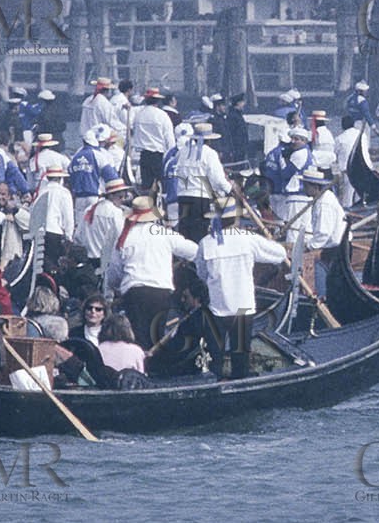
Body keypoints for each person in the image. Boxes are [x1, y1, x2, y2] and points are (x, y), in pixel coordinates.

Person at [198, 195, 288, 379]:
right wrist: (269, 240)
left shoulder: (205, 243)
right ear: (236, 218)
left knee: (215, 358)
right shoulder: (247, 239)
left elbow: (202, 274)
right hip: (243, 307)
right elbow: (280, 254)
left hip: (218, 308)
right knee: (241, 359)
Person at [103, 195, 199, 348]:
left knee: (138, 338)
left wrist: (114, 289)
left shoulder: (125, 237)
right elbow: (194, 251)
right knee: (157, 338)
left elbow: (114, 272)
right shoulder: (163, 233)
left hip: (134, 293)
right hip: (160, 293)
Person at [171, 122, 229, 243]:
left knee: (185, 233)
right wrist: (229, 189)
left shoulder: (183, 151)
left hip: (183, 196)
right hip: (200, 198)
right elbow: (217, 179)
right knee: (199, 234)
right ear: (209, 140)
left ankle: (185, 260)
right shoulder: (210, 153)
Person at [69, 124, 122, 227]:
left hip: (78, 198)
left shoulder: (76, 156)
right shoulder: (99, 155)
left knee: (80, 226)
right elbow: (111, 177)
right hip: (95, 196)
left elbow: (70, 176)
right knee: (94, 225)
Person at [29, 165, 75, 271]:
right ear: (60, 179)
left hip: (38, 232)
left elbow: (33, 212)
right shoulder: (63, 192)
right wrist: (69, 236)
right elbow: (68, 218)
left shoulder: (41, 192)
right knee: (53, 265)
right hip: (54, 232)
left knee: (40, 265)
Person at [79, 177, 133, 266]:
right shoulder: (115, 212)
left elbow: (78, 236)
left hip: (88, 259)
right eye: (120, 197)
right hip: (105, 261)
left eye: (124, 197)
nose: (123, 200)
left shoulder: (89, 209)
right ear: (111, 196)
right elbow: (121, 237)